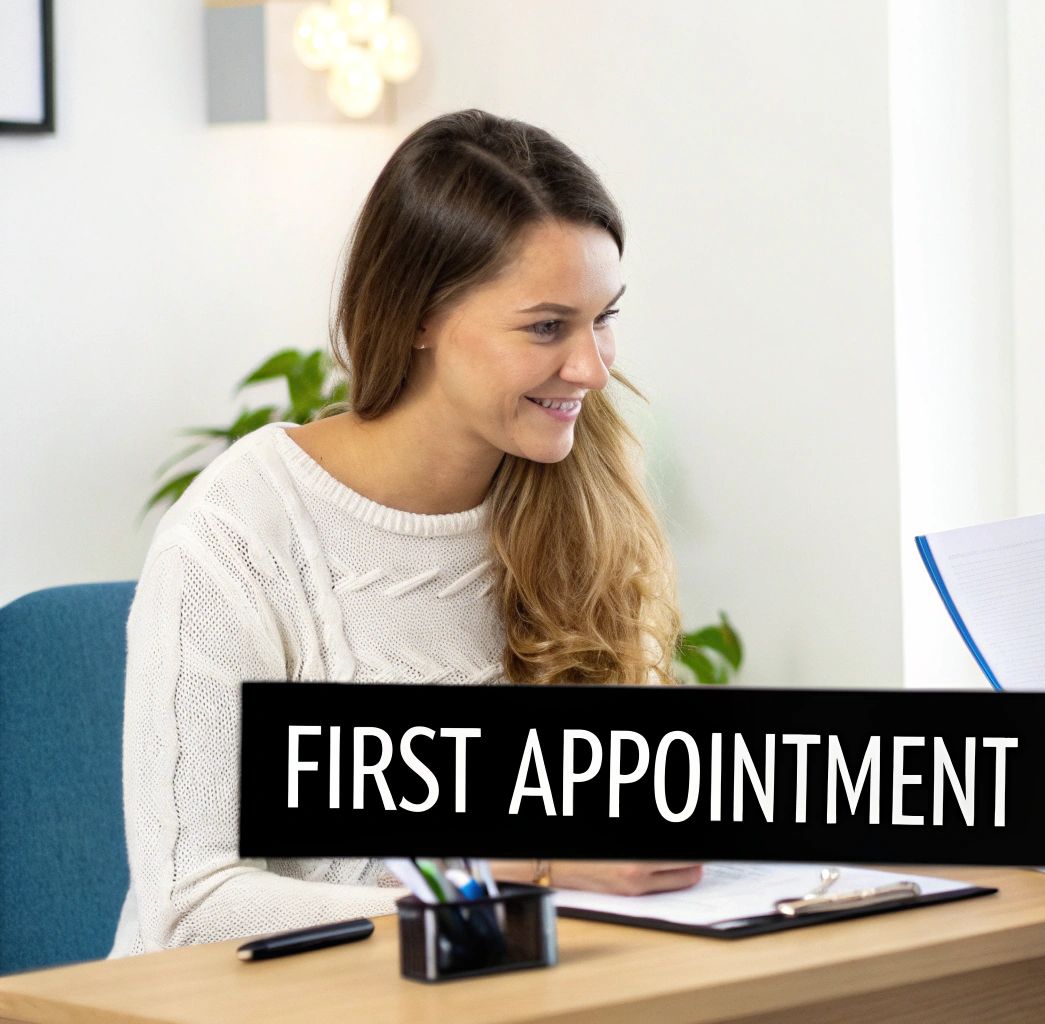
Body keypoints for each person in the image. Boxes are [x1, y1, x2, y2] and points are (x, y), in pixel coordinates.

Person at [112, 110, 701, 956]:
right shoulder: (234, 538)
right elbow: (191, 906)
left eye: (603, 316)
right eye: (546, 327)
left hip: (507, 989)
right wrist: (515, 874)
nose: (592, 368)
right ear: (419, 313)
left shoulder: (581, 494)